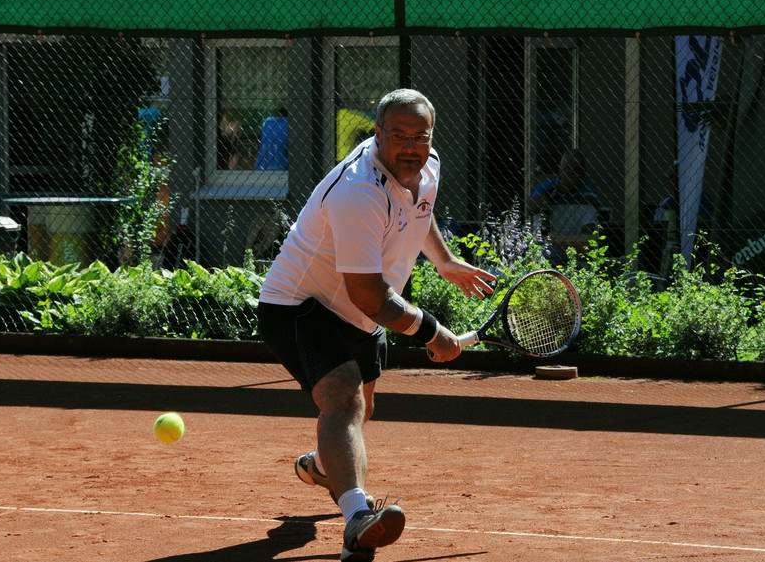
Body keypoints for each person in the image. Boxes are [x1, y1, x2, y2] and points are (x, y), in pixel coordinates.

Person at [257, 89, 496, 561]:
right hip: (299, 303)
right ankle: (357, 519)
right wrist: (432, 332)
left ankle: (324, 466)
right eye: (398, 136)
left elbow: (417, 213)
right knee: (342, 397)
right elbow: (369, 294)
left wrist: (446, 263)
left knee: (362, 409)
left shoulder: (426, 167)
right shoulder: (358, 192)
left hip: (359, 309)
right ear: (378, 134)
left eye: (419, 136)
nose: (410, 146)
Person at [525, 148, 601, 265]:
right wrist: (558, 191)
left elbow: (588, 234)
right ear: (560, 168)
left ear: (583, 172)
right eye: (568, 168)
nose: (572, 173)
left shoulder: (589, 194)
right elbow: (529, 208)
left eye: (577, 169)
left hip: (575, 251)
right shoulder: (546, 188)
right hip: (547, 250)